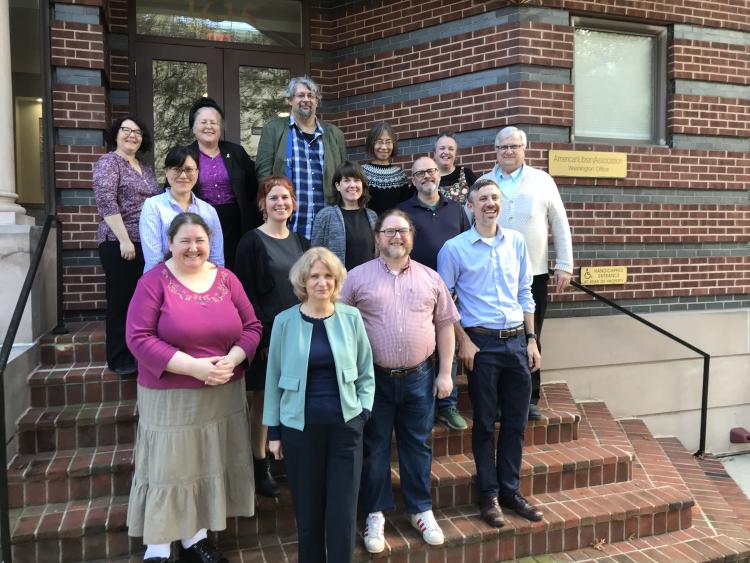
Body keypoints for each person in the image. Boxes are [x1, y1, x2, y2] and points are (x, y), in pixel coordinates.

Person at [125, 212, 262, 563]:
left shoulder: (227, 279)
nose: (193, 247)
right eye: (184, 240)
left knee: (206, 464)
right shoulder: (153, 282)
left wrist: (232, 359)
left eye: (199, 240)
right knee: (171, 469)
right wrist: (195, 368)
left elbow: (252, 327)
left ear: (210, 243)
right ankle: (158, 545)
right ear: (170, 244)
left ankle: (195, 537)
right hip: (172, 393)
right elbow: (138, 338)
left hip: (223, 392)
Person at [341, 210, 459, 554]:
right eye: (390, 231)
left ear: (412, 236)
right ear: (377, 236)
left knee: (417, 445)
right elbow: (338, 326)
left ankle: (420, 509)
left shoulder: (431, 278)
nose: (397, 237)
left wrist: (445, 373)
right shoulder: (355, 278)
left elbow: (445, 325)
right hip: (372, 379)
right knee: (375, 446)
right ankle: (375, 513)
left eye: (403, 231)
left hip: (420, 377)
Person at [437, 178, 542, 529]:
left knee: (515, 423)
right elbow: (445, 303)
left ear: (502, 204)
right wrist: (463, 341)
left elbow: (526, 293)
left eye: (495, 198)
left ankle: (511, 491)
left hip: (516, 343)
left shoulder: (516, 242)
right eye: (482, 198)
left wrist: (531, 339)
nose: (489, 204)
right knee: (483, 423)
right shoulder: (454, 249)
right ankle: (489, 495)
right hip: (481, 345)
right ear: (471, 206)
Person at [264, 247, 375, 563]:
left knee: (342, 512)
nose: (322, 282)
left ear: (337, 280)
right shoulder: (285, 322)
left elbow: (366, 371)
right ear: (303, 280)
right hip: (300, 430)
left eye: (328, 276)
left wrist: (362, 413)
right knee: (308, 512)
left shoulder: (350, 317)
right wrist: (274, 431)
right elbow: (273, 378)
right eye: (315, 276)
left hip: (346, 429)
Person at [478, 126, 573, 420]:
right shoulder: (485, 181)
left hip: (534, 273)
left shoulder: (542, 181)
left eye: (514, 146)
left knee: (531, 336)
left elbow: (559, 221)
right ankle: (494, 400)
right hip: (491, 273)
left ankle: (529, 397)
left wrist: (564, 264)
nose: (508, 151)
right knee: (494, 335)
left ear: (524, 149)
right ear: (495, 150)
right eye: (502, 147)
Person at [234, 176, 310, 498]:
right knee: (264, 403)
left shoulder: (302, 243)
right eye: (273, 198)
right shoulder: (250, 242)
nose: (280, 203)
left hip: (301, 333)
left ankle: (292, 462)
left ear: (293, 204)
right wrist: (262, 340)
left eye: (286, 198)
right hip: (267, 337)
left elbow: (310, 288)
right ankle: (259, 463)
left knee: (295, 398)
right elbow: (244, 296)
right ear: (262, 205)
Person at [397, 156, 470, 431]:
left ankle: (447, 405)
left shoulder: (457, 210)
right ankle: (425, 404)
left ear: (439, 175)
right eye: (420, 174)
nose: (426, 176)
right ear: (413, 180)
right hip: (414, 292)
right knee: (422, 349)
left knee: (446, 347)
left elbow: (467, 249)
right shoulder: (404, 211)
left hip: (450, 294)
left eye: (431, 171)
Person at [93, 116, 161, 376]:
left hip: (147, 243)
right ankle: (120, 359)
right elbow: (106, 202)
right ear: (116, 134)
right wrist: (123, 239)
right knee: (122, 302)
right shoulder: (109, 163)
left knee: (143, 302)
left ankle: (142, 353)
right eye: (126, 130)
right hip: (120, 243)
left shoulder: (145, 167)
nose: (132, 135)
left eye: (137, 131)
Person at [255, 76, 347, 238]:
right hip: (288, 222)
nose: (306, 99)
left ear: (317, 101)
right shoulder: (274, 129)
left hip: (326, 222)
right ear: (290, 100)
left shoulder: (334, 134)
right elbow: (264, 173)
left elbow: (344, 175)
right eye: (300, 95)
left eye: (311, 96)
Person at [188, 97, 261, 270]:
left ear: (221, 128)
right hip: (200, 220)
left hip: (236, 221)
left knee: (236, 267)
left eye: (214, 122)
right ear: (193, 127)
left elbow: (252, 186)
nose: (209, 126)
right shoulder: (186, 155)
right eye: (203, 122)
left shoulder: (236, 152)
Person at [139, 145, 224, 273]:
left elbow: (216, 260)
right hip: (163, 281)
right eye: (177, 169)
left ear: (197, 172)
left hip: (202, 282)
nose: (183, 175)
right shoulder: (153, 205)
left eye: (189, 169)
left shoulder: (209, 211)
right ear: (166, 172)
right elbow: (154, 260)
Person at [311, 161, 377, 270]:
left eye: (357, 180)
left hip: (368, 283)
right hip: (338, 284)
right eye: (346, 180)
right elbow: (314, 255)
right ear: (338, 186)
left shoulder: (372, 216)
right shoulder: (325, 215)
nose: (352, 185)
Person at [361, 122, 412, 215]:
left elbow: (405, 206)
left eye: (388, 142)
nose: (384, 147)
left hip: (395, 226)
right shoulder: (362, 172)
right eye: (379, 142)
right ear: (371, 143)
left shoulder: (400, 174)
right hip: (369, 227)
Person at [433, 131, 477, 206]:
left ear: (456, 154)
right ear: (435, 153)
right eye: (442, 148)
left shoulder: (467, 174)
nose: (446, 152)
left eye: (451, 149)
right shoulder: (428, 177)